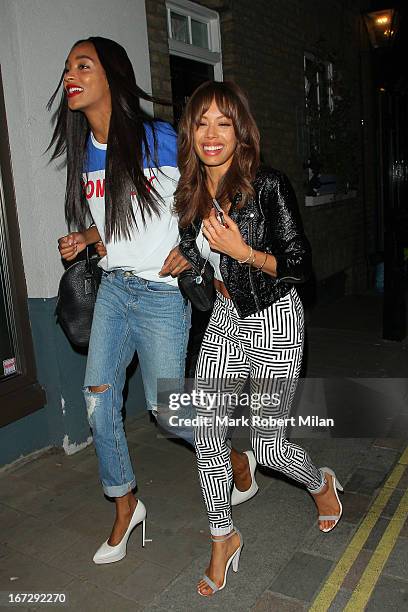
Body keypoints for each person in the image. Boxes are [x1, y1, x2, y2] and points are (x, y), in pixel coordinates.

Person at [47, 37, 254, 565]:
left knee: (166, 412)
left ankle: (231, 448)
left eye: (83, 65)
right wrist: (89, 239)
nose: (71, 75)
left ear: (112, 78)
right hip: (116, 290)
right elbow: (123, 217)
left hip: (163, 297)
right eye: (68, 68)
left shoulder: (161, 139)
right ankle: (125, 504)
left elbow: (211, 195)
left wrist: (196, 250)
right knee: (98, 402)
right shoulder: (87, 152)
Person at [175, 81, 344, 597]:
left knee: (269, 449)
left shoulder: (267, 185)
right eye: (202, 121)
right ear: (191, 131)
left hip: (276, 318)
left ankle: (322, 485)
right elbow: (193, 251)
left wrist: (243, 251)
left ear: (240, 131)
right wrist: (188, 265)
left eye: (223, 122)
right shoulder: (190, 190)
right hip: (226, 317)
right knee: (207, 431)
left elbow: (299, 262)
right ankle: (223, 537)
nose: (211, 133)